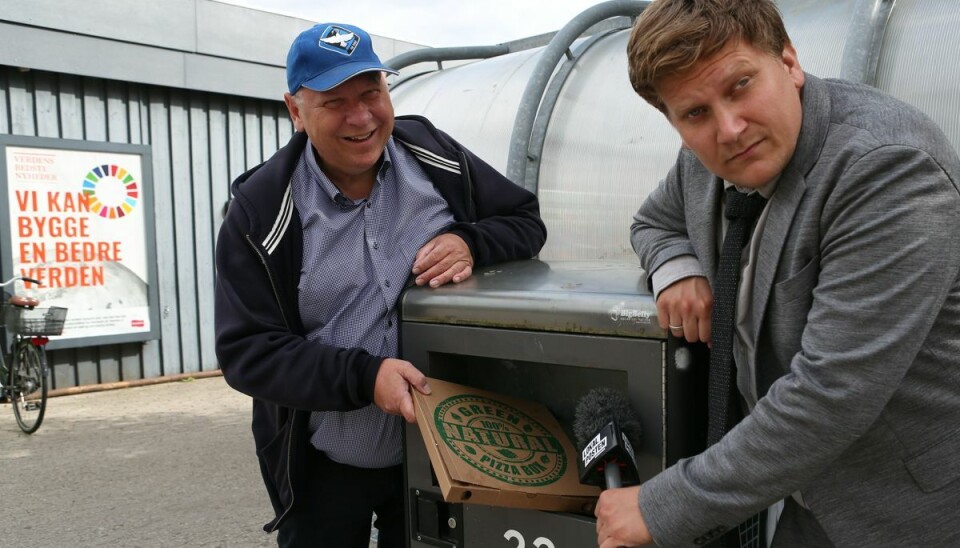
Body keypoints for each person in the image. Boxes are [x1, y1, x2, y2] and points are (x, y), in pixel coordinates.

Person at [594, 0, 960, 546]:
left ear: (789, 62)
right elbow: (654, 220)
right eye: (694, 113)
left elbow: (831, 394)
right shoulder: (703, 159)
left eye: (740, 85)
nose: (730, 127)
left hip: (906, 510)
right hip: (804, 496)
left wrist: (662, 506)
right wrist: (676, 267)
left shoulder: (887, 169)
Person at [214, 22, 546, 547]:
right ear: (296, 111)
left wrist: (471, 241)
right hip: (324, 463)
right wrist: (366, 378)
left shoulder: (433, 155)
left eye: (371, 92)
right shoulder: (260, 211)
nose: (362, 116)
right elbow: (247, 351)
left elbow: (526, 220)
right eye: (335, 101)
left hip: (441, 450)